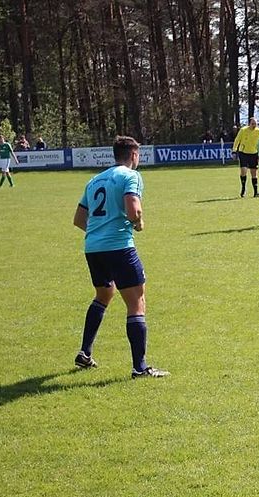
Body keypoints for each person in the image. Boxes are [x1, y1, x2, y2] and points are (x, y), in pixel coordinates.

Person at [72, 136, 168, 378]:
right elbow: (133, 209)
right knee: (137, 302)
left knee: (104, 294)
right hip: (119, 247)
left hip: (93, 248)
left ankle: (85, 352)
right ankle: (140, 368)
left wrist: (99, 232)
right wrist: (138, 223)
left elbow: (79, 219)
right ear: (134, 155)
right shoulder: (130, 176)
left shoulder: (95, 180)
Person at [231, 118, 259, 198]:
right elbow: (237, 140)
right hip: (243, 153)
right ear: (249, 124)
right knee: (243, 171)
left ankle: (256, 192)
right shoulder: (243, 130)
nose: (254, 125)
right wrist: (234, 151)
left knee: (254, 173)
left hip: (254, 153)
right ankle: (243, 188)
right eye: (252, 124)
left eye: (255, 124)